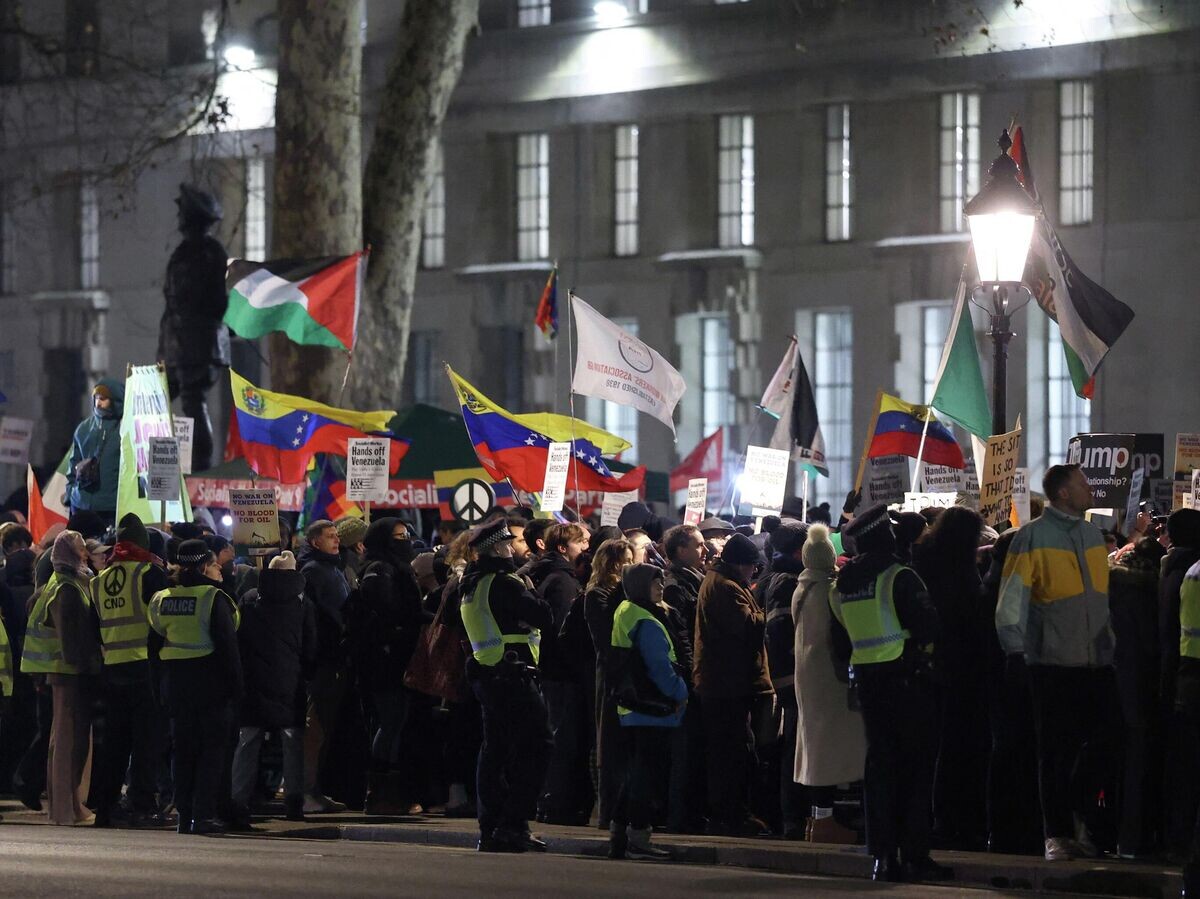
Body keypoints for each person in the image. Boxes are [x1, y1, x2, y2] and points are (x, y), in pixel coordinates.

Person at [996, 464, 1118, 862]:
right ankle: (1059, 834)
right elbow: (1012, 600)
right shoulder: (1031, 538)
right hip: (1051, 665)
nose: (1090, 489)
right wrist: (1017, 652)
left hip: (1096, 663)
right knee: (1055, 752)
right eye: (1083, 484)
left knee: (1102, 746)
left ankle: (1086, 821)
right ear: (1063, 493)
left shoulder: (1093, 537)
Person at [829, 504, 947, 882]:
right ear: (887, 535)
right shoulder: (899, 576)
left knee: (879, 769)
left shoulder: (842, 583)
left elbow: (840, 639)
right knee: (914, 770)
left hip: (868, 683)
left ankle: (882, 856)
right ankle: (913, 854)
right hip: (907, 681)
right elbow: (929, 627)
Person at [455, 520, 553, 853]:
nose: (513, 549)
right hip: (515, 676)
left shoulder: (470, 584)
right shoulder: (507, 583)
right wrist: (530, 590)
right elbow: (543, 616)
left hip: (487, 675)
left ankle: (492, 827)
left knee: (494, 752)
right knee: (536, 746)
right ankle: (514, 823)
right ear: (498, 548)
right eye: (509, 545)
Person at [147, 539, 242, 834]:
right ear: (204, 566)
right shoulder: (213, 598)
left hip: (175, 685)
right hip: (211, 685)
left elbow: (153, 647)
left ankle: (183, 815)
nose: (218, 569)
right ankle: (202, 815)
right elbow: (228, 649)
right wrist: (237, 690)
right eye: (214, 563)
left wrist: (157, 689)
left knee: (183, 752)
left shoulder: (162, 597)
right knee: (211, 753)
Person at [912, 506, 990, 850]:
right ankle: (952, 820)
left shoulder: (925, 562)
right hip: (961, 670)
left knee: (936, 747)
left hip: (932, 668)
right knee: (957, 749)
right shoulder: (961, 574)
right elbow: (969, 620)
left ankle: (936, 818)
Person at [88, 513, 171, 828]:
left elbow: (95, 628)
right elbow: (162, 622)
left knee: (115, 743)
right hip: (145, 669)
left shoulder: (98, 580)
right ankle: (141, 805)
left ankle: (107, 808)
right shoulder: (149, 573)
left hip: (113, 669)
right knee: (147, 742)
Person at [21, 530, 102, 825]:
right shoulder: (67, 588)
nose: (86, 554)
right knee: (70, 741)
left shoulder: (60, 584)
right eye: (82, 549)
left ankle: (64, 807)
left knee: (61, 740)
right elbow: (70, 638)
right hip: (69, 673)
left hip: (61, 673)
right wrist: (85, 666)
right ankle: (69, 809)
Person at [607, 563, 688, 860]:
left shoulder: (626, 611)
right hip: (652, 706)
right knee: (645, 776)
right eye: (655, 582)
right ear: (641, 585)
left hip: (632, 706)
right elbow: (659, 668)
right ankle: (639, 838)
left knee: (633, 774)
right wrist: (681, 692)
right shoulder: (647, 619)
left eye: (662, 581)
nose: (661, 586)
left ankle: (619, 835)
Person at [694, 532, 772, 836]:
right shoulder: (725, 588)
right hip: (726, 684)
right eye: (753, 567)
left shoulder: (722, 583)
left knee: (731, 751)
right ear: (742, 565)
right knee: (730, 753)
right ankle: (730, 814)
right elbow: (748, 628)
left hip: (724, 682)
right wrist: (762, 610)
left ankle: (731, 812)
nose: (754, 572)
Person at [231, 550, 315, 825]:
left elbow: (239, 638)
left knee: (248, 742)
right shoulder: (303, 604)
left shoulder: (250, 599)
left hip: (254, 681)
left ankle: (239, 800)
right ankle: (294, 801)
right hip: (290, 681)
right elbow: (310, 645)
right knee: (292, 744)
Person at [350, 517, 428, 816]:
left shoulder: (395, 568)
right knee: (390, 722)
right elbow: (387, 612)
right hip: (384, 660)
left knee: (395, 722)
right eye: (399, 536)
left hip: (395, 656)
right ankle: (381, 792)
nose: (406, 539)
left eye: (407, 534)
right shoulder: (380, 570)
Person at [792, 523, 864, 844]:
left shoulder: (801, 588)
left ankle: (816, 820)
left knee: (815, 748)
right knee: (831, 754)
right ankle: (826, 822)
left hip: (808, 678)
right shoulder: (830, 591)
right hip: (831, 678)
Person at [159, 183, 229, 472]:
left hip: (198, 345)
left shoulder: (211, 253)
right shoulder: (182, 253)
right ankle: (167, 465)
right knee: (157, 400)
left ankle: (200, 466)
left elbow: (217, 301)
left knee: (192, 402)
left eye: (182, 213)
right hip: (176, 345)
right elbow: (171, 303)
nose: (178, 219)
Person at [530, 522, 591, 825]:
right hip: (562, 674)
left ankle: (551, 801)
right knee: (563, 739)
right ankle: (556, 804)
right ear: (564, 548)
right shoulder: (563, 582)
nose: (586, 548)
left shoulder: (550, 576)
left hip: (553, 672)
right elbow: (563, 632)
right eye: (582, 543)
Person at [1108, 535, 1165, 859]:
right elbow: (1150, 645)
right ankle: (1132, 840)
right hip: (1138, 688)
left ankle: (1102, 833)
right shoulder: (1147, 592)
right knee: (1137, 763)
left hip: (1106, 681)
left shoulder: (1107, 585)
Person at [756, 520, 810, 840]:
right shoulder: (788, 582)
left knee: (779, 749)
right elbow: (780, 630)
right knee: (792, 748)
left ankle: (778, 815)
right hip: (789, 678)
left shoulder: (769, 578)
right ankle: (791, 818)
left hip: (776, 678)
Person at [297, 519, 351, 814]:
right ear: (315, 542)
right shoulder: (314, 571)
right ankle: (306, 792)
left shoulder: (332, 567)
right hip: (323, 660)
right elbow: (319, 618)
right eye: (330, 536)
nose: (336, 540)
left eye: (336, 536)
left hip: (333, 657)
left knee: (323, 728)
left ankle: (315, 789)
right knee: (314, 728)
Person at [583, 537, 634, 828]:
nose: (630, 566)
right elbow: (605, 639)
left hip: (623, 672)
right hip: (610, 675)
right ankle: (607, 812)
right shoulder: (598, 594)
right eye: (625, 561)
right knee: (609, 744)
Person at [661, 524, 706, 834]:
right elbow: (683, 635)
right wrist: (692, 672)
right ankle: (680, 817)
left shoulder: (693, 580)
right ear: (680, 550)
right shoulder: (676, 585)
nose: (705, 550)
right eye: (698, 545)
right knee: (685, 749)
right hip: (685, 677)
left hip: (691, 674)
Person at [65, 380, 124, 526]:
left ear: (116, 400)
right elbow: (73, 463)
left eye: (103, 399)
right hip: (82, 504)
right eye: (96, 398)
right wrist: (72, 492)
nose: (98, 403)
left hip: (112, 507)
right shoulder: (84, 428)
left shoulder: (126, 428)